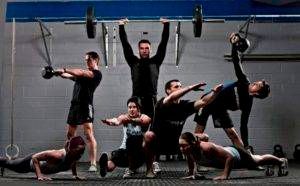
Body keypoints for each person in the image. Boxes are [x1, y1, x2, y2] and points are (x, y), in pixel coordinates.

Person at [194, 34, 270, 150]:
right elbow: (236, 61)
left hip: (220, 109)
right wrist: (234, 45)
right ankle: (197, 163)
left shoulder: (247, 104)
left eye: (258, 86)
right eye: (258, 82)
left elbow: (243, 126)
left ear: (257, 94)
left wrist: (247, 144)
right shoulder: (244, 81)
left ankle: (246, 157)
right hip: (208, 101)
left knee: (232, 134)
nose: (256, 83)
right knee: (198, 134)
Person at [149, 79, 223, 173]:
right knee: (149, 136)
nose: (180, 88)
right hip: (158, 144)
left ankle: (197, 164)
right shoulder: (162, 103)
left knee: (203, 137)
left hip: (176, 143)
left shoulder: (185, 105)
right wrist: (191, 87)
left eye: (180, 86)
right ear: (168, 90)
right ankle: (153, 164)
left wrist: (215, 92)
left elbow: (204, 102)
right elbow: (171, 98)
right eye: (176, 87)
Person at [118, 18, 170, 131]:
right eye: (142, 48)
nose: (144, 50)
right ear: (139, 50)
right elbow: (125, 44)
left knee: (152, 128)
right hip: (137, 99)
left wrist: (166, 25)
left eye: (147, 48)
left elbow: (163, 43)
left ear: (150, 49)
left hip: (151, 100)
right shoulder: (133, 62)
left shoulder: (156, 61)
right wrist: (121, 26)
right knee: (135, 129)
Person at [56, 51, 102, 172]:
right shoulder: (81, 75)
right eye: (85, 60)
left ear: (95, 60)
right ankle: (68, 161)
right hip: (74, 106)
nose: (86, 62)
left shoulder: (96, 74)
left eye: (89, 60)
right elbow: (69, 76)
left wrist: (65, 69)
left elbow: (80, 72)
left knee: (88, 134)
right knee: (70, 135)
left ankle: (93, 163)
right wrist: (56, 72)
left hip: (85, 106)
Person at [179, 132, 288, 180]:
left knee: (257, 160)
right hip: (229, 156)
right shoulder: (189, 152)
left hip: (236, 154)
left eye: (184, 146)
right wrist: (192, 174)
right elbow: (191, 164)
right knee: (258, 160)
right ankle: (276, 161)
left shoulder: (207, 148)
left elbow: (229, 157)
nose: (182, 149)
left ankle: (281, 161)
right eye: (180, 146)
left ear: (193, 143)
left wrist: (225, 175)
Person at [99, 97, 156, 178]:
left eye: (134, 107)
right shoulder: (124, 117)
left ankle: (148, 170)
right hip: (125, 150)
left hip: (140, 152)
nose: (131, 109)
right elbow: (117, 121)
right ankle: (104, 167)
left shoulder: (143, 116)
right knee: (110, 166)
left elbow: (146, 121)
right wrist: (110, 121)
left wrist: (131, 120)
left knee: (148, 136)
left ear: (139, 108)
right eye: (129, 107)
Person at [0, 136, 86, 181]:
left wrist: (75, 175)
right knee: (8, 163)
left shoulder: (75, 156)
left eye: (82, 150)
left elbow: (73, 162)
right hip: (28, 163)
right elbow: (35, 157)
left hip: (34, 165)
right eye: (78, 151)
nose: (80, 154)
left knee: (11, 162)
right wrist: (39, 175)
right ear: (70, 149)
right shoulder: (58, 155)